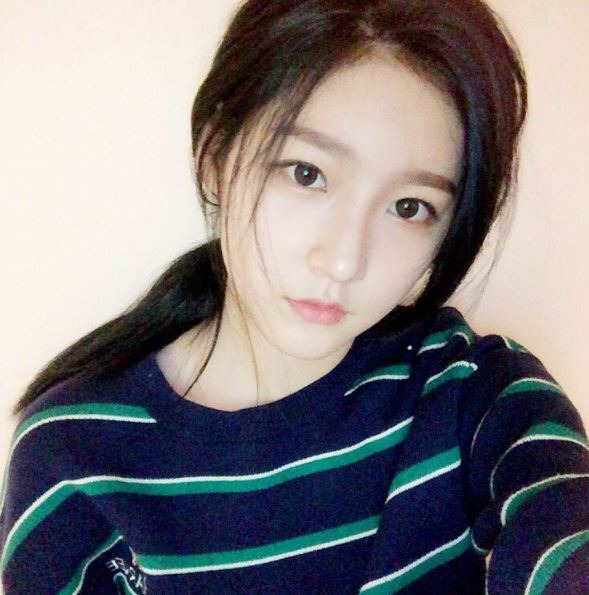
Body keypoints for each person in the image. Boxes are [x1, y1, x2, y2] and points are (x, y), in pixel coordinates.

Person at [1, 0, 588, 592]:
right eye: (307, 173)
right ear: (215, 157)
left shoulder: (472, 395)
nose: (343, 260)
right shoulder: (73, 455)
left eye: (410, 207)